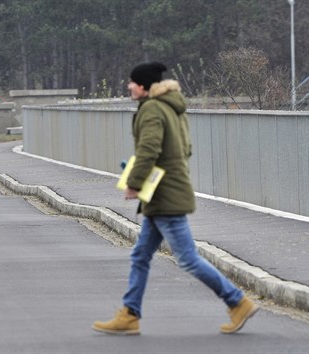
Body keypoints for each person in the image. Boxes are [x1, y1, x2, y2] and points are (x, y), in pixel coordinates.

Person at [92, 62, 258, 335]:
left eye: (132, 82)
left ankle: (237, 301)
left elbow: (149, 148)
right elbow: (185, 149)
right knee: (141, 255)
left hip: (165, 197)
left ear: (144, 86)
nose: (128, 86)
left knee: (188, 258)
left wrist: (134, 183)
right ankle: (130, 314)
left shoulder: (152, 109)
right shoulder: (172, 108)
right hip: (165, 193)